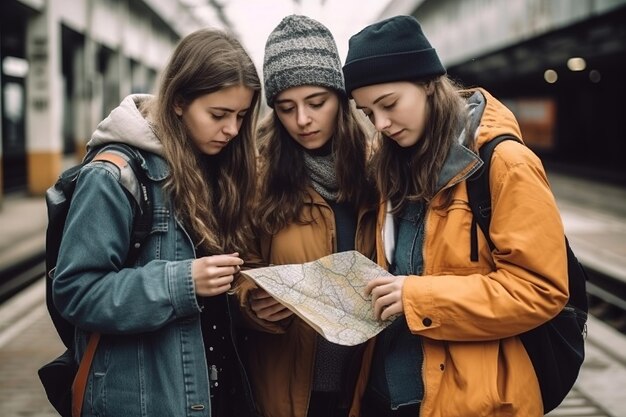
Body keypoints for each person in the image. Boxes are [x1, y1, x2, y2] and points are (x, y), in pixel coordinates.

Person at [341, 15, 569, 417]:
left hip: (470, 400)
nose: (381, 124)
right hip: (384, 394)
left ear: (428, 83)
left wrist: (417, 297)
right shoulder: (388, 165)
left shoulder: (506, 164)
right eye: (367, 112)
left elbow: (540, 289)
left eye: (389, 104)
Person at [51, 28, 262, 417]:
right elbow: (75, 291)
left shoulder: (220, 168)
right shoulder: (116, 174)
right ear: (179, 101)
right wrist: (182, 282)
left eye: (241, 116)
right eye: (218, 115)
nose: (232, 130)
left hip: (218, 393)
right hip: (148, 401)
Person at [233, 14, 377, 417]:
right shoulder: (255, 177)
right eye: (286, 107)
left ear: (341, 98)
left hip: (365, 385)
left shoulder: (380, 175)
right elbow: (233, 269)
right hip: (286, 389)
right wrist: (249, 302)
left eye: (316, 103)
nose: (302, 120)